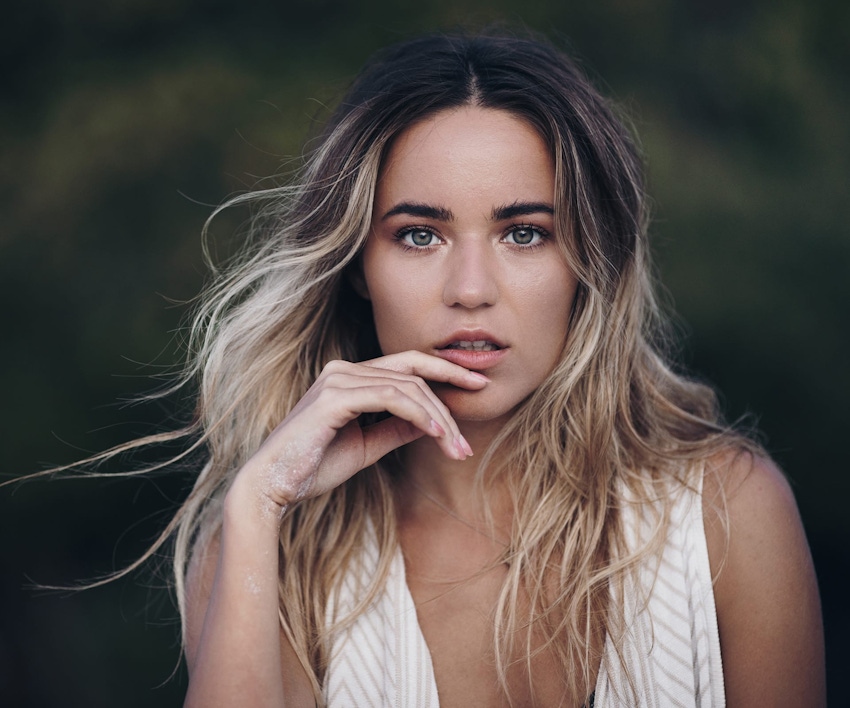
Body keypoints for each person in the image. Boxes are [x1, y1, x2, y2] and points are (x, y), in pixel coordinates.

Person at [150, 32, 823, 706]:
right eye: (420, 235)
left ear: (589, 260)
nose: (470, 289)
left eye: (524, 233)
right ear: (358, 264)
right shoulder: (271, 559)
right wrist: (257, 501)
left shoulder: (727, 514)